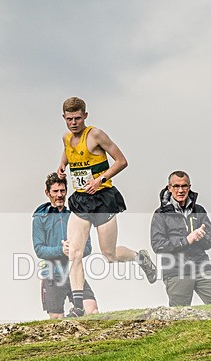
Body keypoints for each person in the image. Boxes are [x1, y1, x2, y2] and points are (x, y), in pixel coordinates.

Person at [57, 97, 156, 317]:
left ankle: (139, 257)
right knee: (74, 253)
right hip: (81, 200)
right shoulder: (66, 138)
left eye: (77, 118)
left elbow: (121, 161)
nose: (74, 123)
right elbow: (68, 151)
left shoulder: (95, 135)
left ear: (85, 116)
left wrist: (100, 179)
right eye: (69, 119)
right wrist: (62, 165)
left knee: (109, 255)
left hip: (103, 199)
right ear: (64, 118)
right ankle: (78, 306)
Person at [150, 170, 211, 307]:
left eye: (184, 186)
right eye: (176, 186)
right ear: (169, 188)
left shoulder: (199, 210)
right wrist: (186, 240)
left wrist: (201, 238)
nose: (181, 190)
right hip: (176, 271)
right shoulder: (160, 214)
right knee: (179, 317)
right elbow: (158, 245)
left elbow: (210, 240)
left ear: (189, 187)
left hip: (202, 267)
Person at [32, 173, 99, 318]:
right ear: (47, 193)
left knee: (92, 312)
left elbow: (88, 247)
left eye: (62, 191)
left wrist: (75, 249)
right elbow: (39, 249)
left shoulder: (76, 216)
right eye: (55, 191)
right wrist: (61, 250)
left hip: (75, 273)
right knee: (57, 320)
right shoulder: (39, 218)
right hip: (52, 276)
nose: (59, 195)